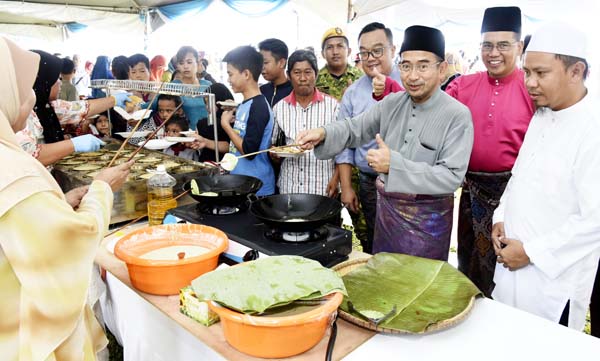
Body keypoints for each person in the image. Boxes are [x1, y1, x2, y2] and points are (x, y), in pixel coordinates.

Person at [0, 36, 133, 361]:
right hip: (26, 329)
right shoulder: (13, 168)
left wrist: (58, 203)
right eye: (24, 88)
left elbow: (24, 230)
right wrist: (102, 187)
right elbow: (70, 243)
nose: (32, 99)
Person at [297, 25, 473, 261]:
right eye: (406, 66)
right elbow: (354, 128)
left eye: (422, 66)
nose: (412, 76)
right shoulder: (391, 103)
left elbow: (451, 177)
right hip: (387, 217)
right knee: (384, 277)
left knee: (421, 286)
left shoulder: (457, 115)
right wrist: (323, 133)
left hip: (429, 224)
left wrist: (395, 165)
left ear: (441, 70)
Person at [491, 22, 600, 331]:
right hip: (510, 263)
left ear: (576, 71)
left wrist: (531, 253)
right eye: (527, 72)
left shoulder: (593, 130)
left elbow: (595, 220)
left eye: (541, 73)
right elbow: (518, 176)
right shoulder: (543, 114)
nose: (530, 83)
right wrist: (501, 216)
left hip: (552, 284)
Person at [446, 6, 535, 297]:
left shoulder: (531, 87)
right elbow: (431, 108)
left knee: (509, 273)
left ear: (519, 47)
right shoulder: (464, 84)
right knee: (470, 267)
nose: (493, 53)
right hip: (472, 195)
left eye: (503, 45)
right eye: (487, 45)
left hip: (514, 196)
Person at [334, 22, 403, 254]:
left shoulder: (409, 82)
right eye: (364, 52)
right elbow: (344, 144)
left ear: (393, 50)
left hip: (406, 180)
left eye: (377, 50)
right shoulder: (353, 93)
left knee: (406, 243)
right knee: (376, 241)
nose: (370, 58)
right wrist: (346, 187)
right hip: (368, 181)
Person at [271, 49, 339, 196]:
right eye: (297, 73)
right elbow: (274, 145)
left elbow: (343, 148)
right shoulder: (279, 108)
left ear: (316, 74)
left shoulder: (333, 106)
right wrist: (274, 154)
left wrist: (336, 178)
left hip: (323, 185)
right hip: (290, 186)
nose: (303, 78)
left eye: (308, 72)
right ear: (289, 76)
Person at [221, 45, 275, 196]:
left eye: (230, 74)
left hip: (257, 188)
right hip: (242, 183)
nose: (228, 79)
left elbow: (249, 151)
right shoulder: (245, 104)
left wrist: (226, 126)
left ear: (246, 74)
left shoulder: (258, 106)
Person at [315, 27, 363, 101]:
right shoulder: (315, 79)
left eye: (340, 46)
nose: (335, 52)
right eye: (329, 47)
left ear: (349, 51)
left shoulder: (360, 78)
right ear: (322, 54)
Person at [172, 46, 211, 130]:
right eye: (181, 63)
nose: (185, 66)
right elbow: (155, 103)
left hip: (209, 135)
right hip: (186, 137)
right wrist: (139, 106)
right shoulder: (174, 86)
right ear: (177, 66)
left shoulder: (208, 85)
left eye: (189, 62)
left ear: (198, 63)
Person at [258, 38, 293, 107]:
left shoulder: (294, 92)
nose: (262, 67)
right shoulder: (261, 91)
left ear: (281, 63)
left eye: (265, 62)